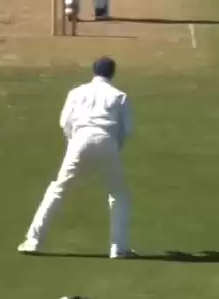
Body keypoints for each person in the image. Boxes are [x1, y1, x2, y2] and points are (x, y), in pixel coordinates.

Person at [18, 57, 135, 258]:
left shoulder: (76, 92)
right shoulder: (120, 96)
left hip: (79, 140)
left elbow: (65, 122)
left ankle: (33, 241)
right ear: (112, 74)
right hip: (107, 141)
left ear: (93, 71)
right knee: (118, 195)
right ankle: (119, 249)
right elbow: (127, 130)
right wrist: (113, 148)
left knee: (58, 189)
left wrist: (75, 143)